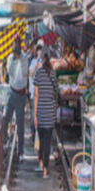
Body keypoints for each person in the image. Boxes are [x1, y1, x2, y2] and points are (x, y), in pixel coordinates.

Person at [33, 50, 58, 179]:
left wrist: (35, 114)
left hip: (41, 112)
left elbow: (36, 95)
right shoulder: (52, 74)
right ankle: (45, 170)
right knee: (47, 141)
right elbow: (55, 90)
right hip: (50, 111)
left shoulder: (38, 74)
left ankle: (41, 163)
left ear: (42, 60)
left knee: (42, 141)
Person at [4, 37, 29, 161]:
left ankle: (21, 152)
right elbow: (10, 73)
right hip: (12, 91)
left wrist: (20, 58)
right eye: (15, 44)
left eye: (18, 44)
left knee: (20, 123)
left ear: (21, 45)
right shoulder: (10, 58)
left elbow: (25, 72)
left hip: (21, 94)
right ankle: (3, 143)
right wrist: (14, 59)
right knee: (5, 117)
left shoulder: (25, 57)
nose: (17, 46)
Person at [27, 40, 42, 145]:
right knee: (33, 116)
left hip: (43, 94)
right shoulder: (33, 62)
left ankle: (40, 137)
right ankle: (33, 134)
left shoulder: (46, 64)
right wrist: (37, 62)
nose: (40, 54)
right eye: (39, 52)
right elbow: (31, 74)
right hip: (33, 94)